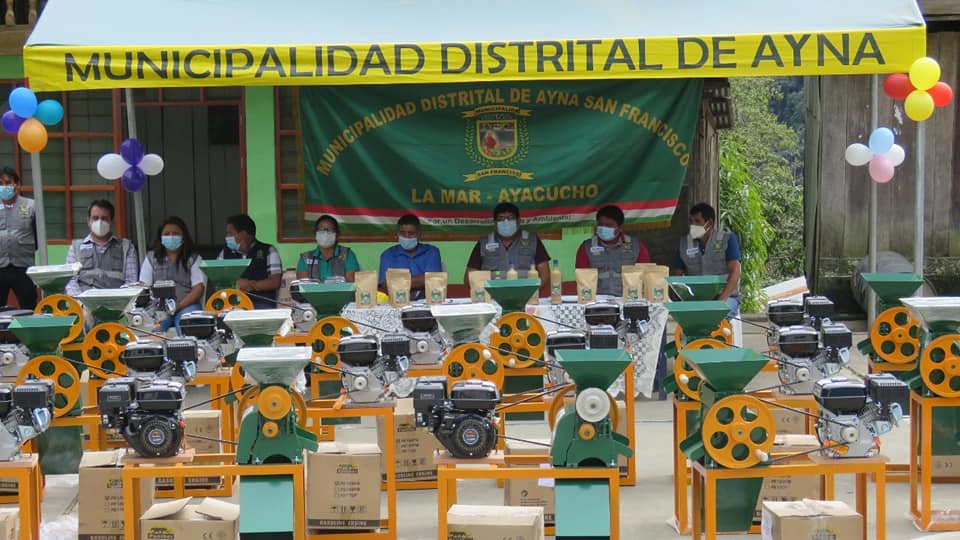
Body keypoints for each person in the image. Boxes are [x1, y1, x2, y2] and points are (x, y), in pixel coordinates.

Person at [671, 202, 742, 315]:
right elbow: (677, 275)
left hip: (725, 297)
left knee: (714, 315)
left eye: (697, 221)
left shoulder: (727, 239)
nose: (692, 225)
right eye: (690, 221)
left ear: (709, 223)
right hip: (696, 300)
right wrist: (686, 300)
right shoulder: (684, 243)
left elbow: (735, 272)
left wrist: (721, 302)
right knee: (684, 319)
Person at [464, 202, 550, 294]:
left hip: (525, 298)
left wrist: (532, 293)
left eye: (510, 218)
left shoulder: (532, 240)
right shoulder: (484, 242)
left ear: (518, 221)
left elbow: (544, 273)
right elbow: (469, 277)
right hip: (492, 300)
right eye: (501, 219)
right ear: (495, 223)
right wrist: (484, 294)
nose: (506, 222)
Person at [139, 217, 205, 334]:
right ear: (160, 237)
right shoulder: (151, 258)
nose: (171, 236)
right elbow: (144, 287)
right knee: (152, 330)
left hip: (187, 306)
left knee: (188, 329)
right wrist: (160, 306)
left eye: (175, 233)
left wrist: (178, 306)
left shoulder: (194, 259)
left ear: (183, 237)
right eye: (167, 234)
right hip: (158, 309)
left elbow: (198, 288)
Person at [65, 199, 139, 296]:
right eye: (95, 218)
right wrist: (82, 303)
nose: (99, 222)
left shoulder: (126, 247)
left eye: (104, 218)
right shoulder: (75, 248)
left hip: (117, 305)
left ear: (111, 221)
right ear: (88, 221)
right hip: (84, 306)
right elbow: (70, 281)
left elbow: (131, 282)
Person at [575, 204, 651, 296]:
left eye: (608, 225)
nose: (603, 228)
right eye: (600, 224)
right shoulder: (586, 248)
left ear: (620, 228)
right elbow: (582, 280)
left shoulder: (636, 247)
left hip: (628, 300)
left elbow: (645, 277)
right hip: (597, 302)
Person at [218, 214, 282, 310]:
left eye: (230, 233)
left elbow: (275, 281)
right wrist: (236, 284)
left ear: (243, 234)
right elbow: (217, 277)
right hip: (231, 303)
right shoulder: (225, 252)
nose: (227, 237)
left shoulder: (268, 250)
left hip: (261, 302)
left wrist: (250, 285)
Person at [378, 214, 442, 301]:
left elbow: (433, 279)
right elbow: (385, 285)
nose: (406, 237)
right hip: (397, 302)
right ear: (398, 234)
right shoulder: (388, 255)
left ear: (419, 235)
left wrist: (397, 281)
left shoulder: (431, 252)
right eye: (402, 233)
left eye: (411, 233)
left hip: (427, 302)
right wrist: (421, 279)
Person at [0, 167, 37, 309]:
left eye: (8, 182)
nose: (3, 187)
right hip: (0, 266)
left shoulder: (30, 205)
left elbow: (37, 235)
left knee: (28, 307)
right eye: (0, 183)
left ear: (17, 185)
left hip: (23, 266)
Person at [296, 215, 360, 283]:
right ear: (315, 233)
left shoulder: (347, 254)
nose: (325, 233)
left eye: (329, 230)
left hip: (340, 293)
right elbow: (304, 287)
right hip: (315, 294)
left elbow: (351, 283)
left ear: (337, 234)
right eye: (321, 230)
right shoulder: (305, 258)